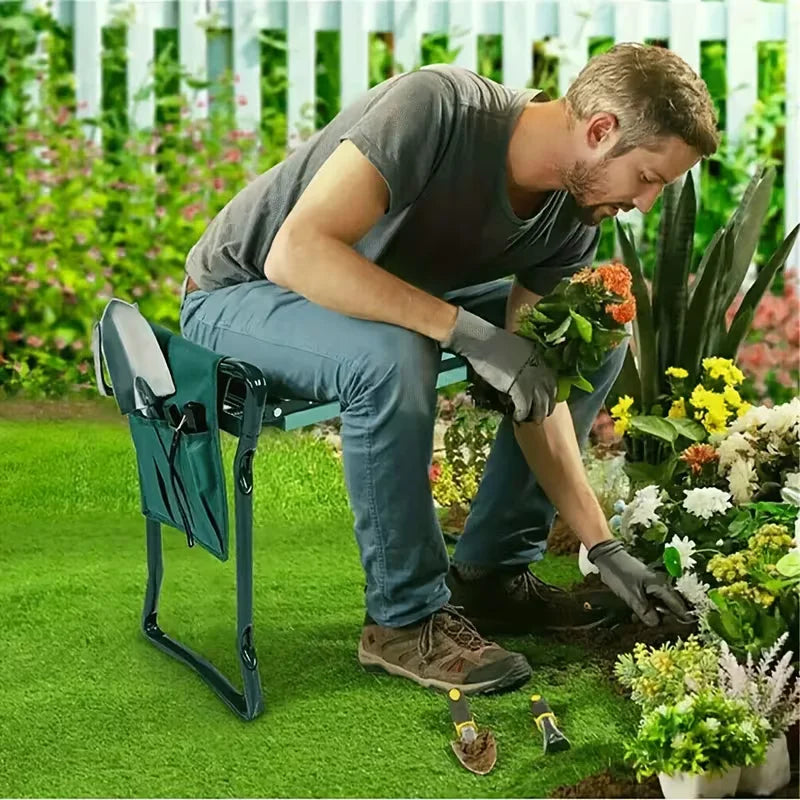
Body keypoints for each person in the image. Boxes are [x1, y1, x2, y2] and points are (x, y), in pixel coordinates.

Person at [180, 43, 718, 695]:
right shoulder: (437, 108)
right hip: (243, 295)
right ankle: (403, 621)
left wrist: (604, 549)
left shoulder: (571, 220)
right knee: (396, 352)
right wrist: (469, 334)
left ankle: (490, 577)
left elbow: (535, 389)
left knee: (590, 328)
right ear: (601, 131)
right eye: (649, 178)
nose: (646, 204)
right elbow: (298, 254)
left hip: (363, 297)